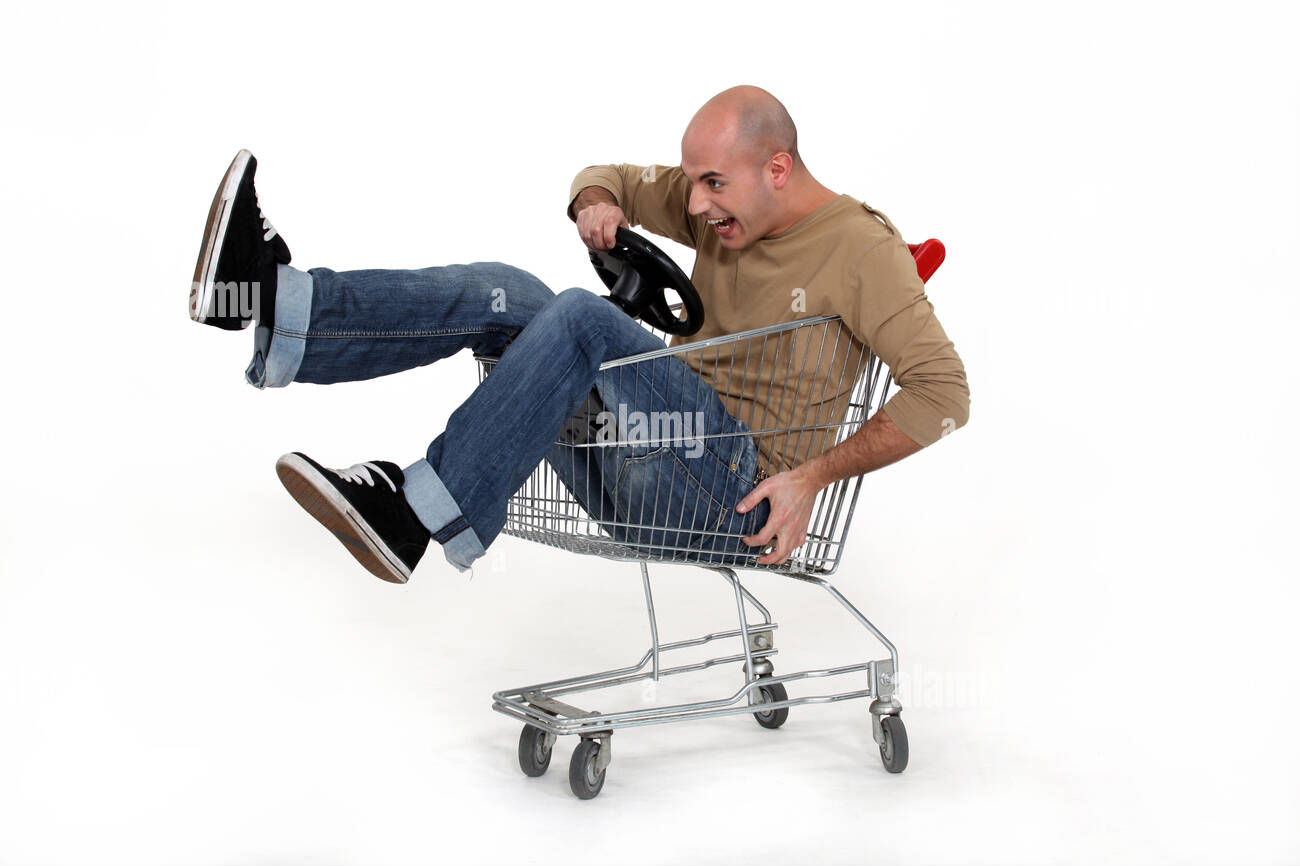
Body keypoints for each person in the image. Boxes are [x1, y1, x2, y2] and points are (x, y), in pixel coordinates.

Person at [188, 86, 970, 583]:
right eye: (694, 183)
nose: (697, 206)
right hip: (646, 452)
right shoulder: (726, 208)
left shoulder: (861, 250)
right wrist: (595, 203)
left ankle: (415, 514)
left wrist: (813, 479)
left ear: (777, 168)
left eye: (714, 185)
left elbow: (945, 395)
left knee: (580, 317)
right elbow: (610, 178)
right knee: (506, 291)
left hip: (730, 494)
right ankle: (271, 300)